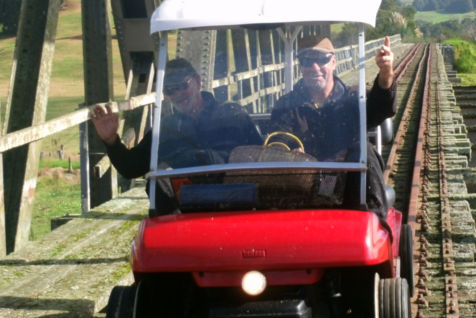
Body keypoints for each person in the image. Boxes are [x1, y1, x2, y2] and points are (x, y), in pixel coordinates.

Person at [90, 58, 261, 210]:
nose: (177, 95)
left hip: (236, 207)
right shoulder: (166, 129)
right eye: (169, 91)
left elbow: (261, 159)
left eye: (182, 86)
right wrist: (111, 140)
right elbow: (131, 167)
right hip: (184, 212)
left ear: (197, 81)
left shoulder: (233, 115)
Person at [269, 34, 396, 219]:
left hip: (349, 192)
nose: (314, 68)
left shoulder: (353, 99)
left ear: (334, 62)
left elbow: (381, 108)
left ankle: (375, 223)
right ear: (300, 66)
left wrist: (386, 74)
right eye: (306, 61)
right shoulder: (287, 106)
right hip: (301, 190)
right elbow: (277, 139)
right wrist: (289, 153)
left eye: (322, 60)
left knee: (364, 150)